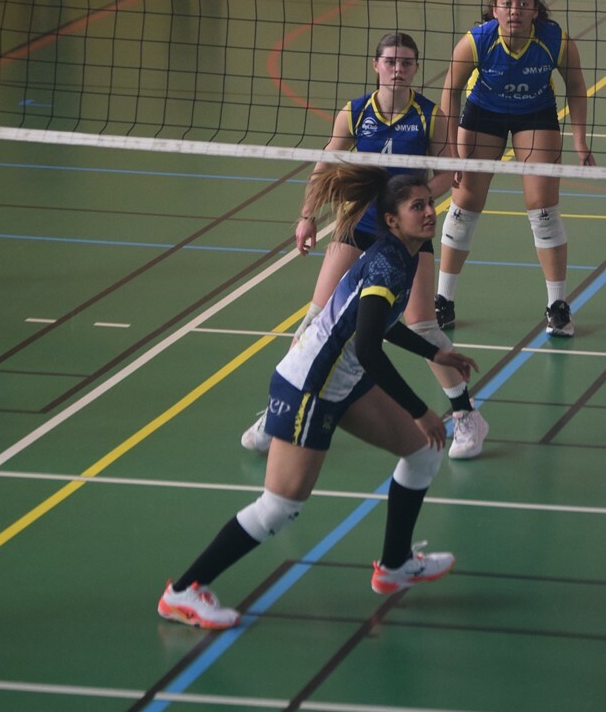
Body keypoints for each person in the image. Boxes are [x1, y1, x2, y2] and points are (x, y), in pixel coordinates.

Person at [157, 166, 477, 629]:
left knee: (422, 454)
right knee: (280, 506)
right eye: (418, 206)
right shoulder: (388, 263)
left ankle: (394, 566)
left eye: (430, 203)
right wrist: (420, 410)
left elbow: (374, 326)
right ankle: (184, 591)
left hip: (341, 380)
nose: (430, 212)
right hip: (309, 386)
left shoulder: (404, 255)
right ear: (391, 220)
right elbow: (369, 349)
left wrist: (435, 353)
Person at [239, 33, 490, 460]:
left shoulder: (429, 116)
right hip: (358, 225)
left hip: (406, 231)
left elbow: (450, 171)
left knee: (421, 326)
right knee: (315, 320)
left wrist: (413, 200)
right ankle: (281, 410)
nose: (398, 69)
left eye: (406, 63)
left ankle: (467, 415)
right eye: (390, 61)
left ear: (415, 68)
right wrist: (306, 216)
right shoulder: (355, 113)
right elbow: (326, 165)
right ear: (376, 65)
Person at [435, 0, 594, 337]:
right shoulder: (477, 41)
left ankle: (557, 306)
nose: (515, 10)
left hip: (535, 113)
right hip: (484, 113)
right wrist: (452, 150)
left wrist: (580, 141)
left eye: (524, 3)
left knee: (543, 208)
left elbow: (576, 86)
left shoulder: (555, 40)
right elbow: (451, 90)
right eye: (506, 3)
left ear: (536, 10)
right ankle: (443, 300)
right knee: (464, 204)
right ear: (494, 10)